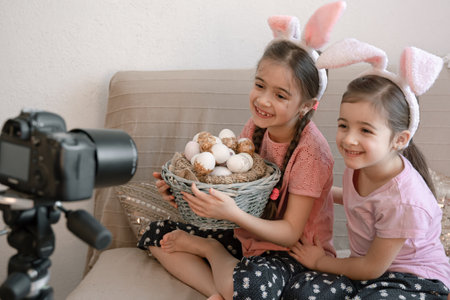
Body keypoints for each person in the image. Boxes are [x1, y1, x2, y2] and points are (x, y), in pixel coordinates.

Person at [137, 3, 346, 299]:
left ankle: (212, 255)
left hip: (292, 253)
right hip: (246, 236)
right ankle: (222, 284)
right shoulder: (253, 129)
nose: (263, 99)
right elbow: (234, 190)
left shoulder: (311, 152)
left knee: (253, 287)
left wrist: (229, 218)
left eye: (280, 95)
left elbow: (289, 232)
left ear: (306, 105)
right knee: (156, 235)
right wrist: (184, 195)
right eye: (260, 85)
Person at [285, 38, 450, 299]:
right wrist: (307, 193)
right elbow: (360, 201)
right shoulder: (361, 164)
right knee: (300, 290)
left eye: (365, 130)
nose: (349, 139)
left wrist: (318, 262)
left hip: (415, 281)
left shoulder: (405, 201)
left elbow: (372, 267)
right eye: (343, 125)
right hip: (368, 274)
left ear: (400, 139)